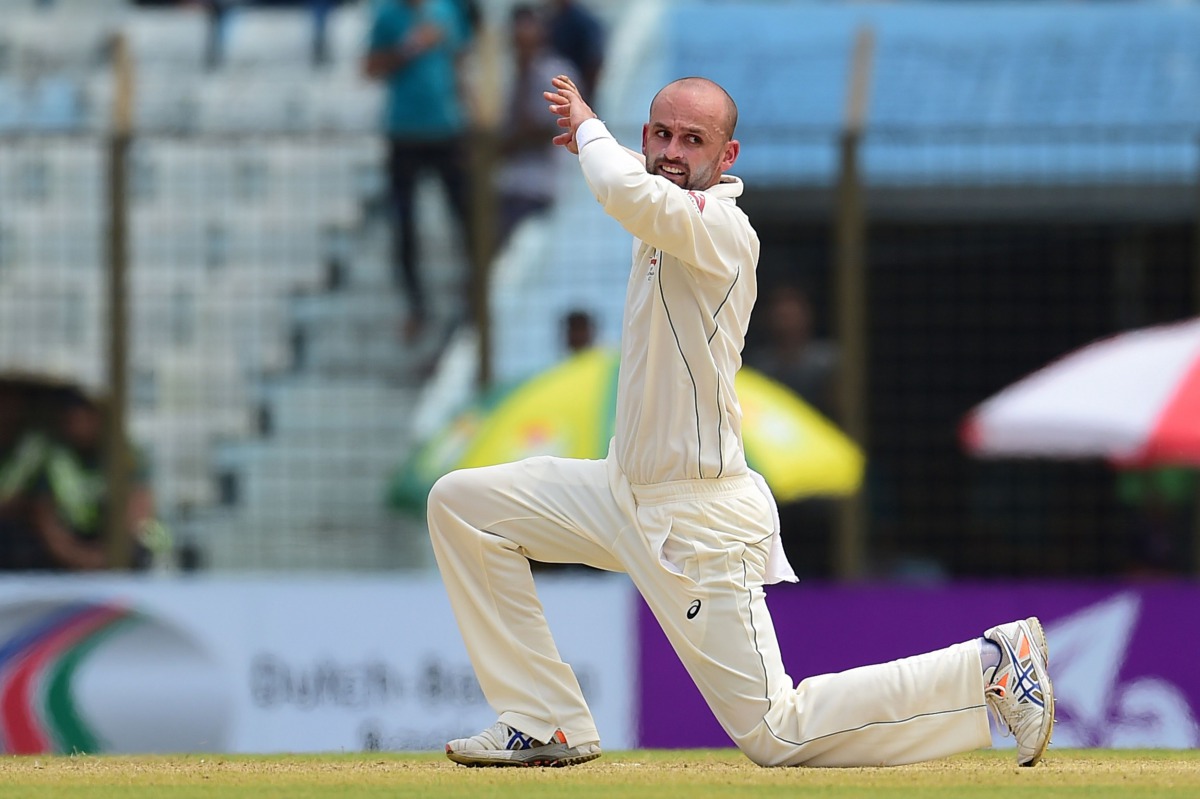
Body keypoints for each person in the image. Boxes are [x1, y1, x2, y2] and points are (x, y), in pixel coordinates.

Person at [428, 75, 1054, 769]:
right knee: (463, 506)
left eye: (693, 140)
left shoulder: (720, 229)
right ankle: (542, 719)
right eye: (662, 135)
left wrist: (587, 128)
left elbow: (628, 192)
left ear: (727, 157)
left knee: (774, 732)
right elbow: (644, 186)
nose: (673, 151)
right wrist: (608, 146)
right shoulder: (662, 204)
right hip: (618, 491)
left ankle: (991, 667)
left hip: (694, 521)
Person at [364, 0, 475, 339]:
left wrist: (469, 115)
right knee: (404, 225)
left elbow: (458, 63)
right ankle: (416, 306)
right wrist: (410, 47)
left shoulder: (446, 10)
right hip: (405, 133)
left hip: (447, 131)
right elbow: (370, 67)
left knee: (466, 218)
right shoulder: (386, 15)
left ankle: (474, 295)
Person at [493, 4, 575, 249]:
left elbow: (547, 130)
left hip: (543, 183)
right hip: (509, 181)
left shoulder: (556, 74)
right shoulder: (506, 72)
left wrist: (514, 140)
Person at [542, 0, 604, 101]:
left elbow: (593, 62)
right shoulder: (549, 19)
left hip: (577, 86)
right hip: (554, 85)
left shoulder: (583, 22)